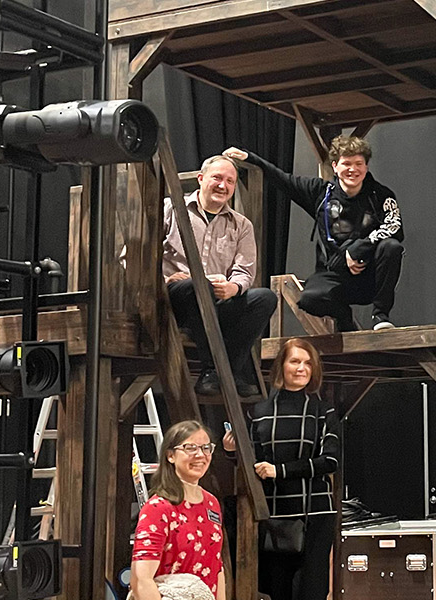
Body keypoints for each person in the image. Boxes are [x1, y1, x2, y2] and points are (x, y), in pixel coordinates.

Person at [222, 138, 403, 331]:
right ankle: (344, 317)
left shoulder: (381, 195)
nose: (353, 169)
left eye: (358, 164)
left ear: (366, 167)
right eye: (346, 164)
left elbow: (396, 228)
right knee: (309, 300)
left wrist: (358, 250)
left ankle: (380, 315)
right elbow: (283, 179)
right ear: (335, 166)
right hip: (336, 275)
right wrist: (251, 158)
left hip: (370, 277)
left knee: (392, 247)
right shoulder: (320, 193)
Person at [221, 338, 338, 600]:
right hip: (274, 514)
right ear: (281, 366)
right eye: (295, 361)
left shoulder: (323, 410)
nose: (302, 368)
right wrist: (232, 454)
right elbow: (254, 465)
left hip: (316, 513)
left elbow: (330, 461)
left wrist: (280, 471)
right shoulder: (258, 412)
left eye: (308, 363)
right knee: (277, 592)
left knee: (311, 592)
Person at [163, 154, 278, 398]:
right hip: (176, 300)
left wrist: (233, 288)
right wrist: (166, 279)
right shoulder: (170, 209)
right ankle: (217, 370)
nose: (223, 186)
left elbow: (245, 271)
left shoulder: (241, 225)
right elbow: (129, 256)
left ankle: (218, 372)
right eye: (217, 178)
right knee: (196, 285)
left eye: (230, 181)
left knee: (265, 298)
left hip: (215, 304)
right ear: (201, 178)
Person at [131, 420, 226, 600]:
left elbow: (216, 566)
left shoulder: (211, 503)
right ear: (170, 455)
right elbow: (141, 580)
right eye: (190, 448)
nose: (200, 455)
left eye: (206, 448)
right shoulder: (158, 508)